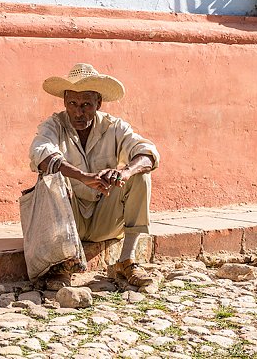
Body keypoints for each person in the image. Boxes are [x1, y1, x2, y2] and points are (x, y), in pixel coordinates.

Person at [29, 63, 160, 289]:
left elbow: (148, 152)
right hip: (68, 221)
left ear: (98, 103)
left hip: (104, 219)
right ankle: (61, 266)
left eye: (86, 105)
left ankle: (126, 261)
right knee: (49, 178)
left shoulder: (114, 126)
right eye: (72, 104)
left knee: (140, 175)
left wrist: (124, 172)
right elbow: (40, 154)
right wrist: (82, 176)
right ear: (65, 103)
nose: (78, 112)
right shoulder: (54, 125)